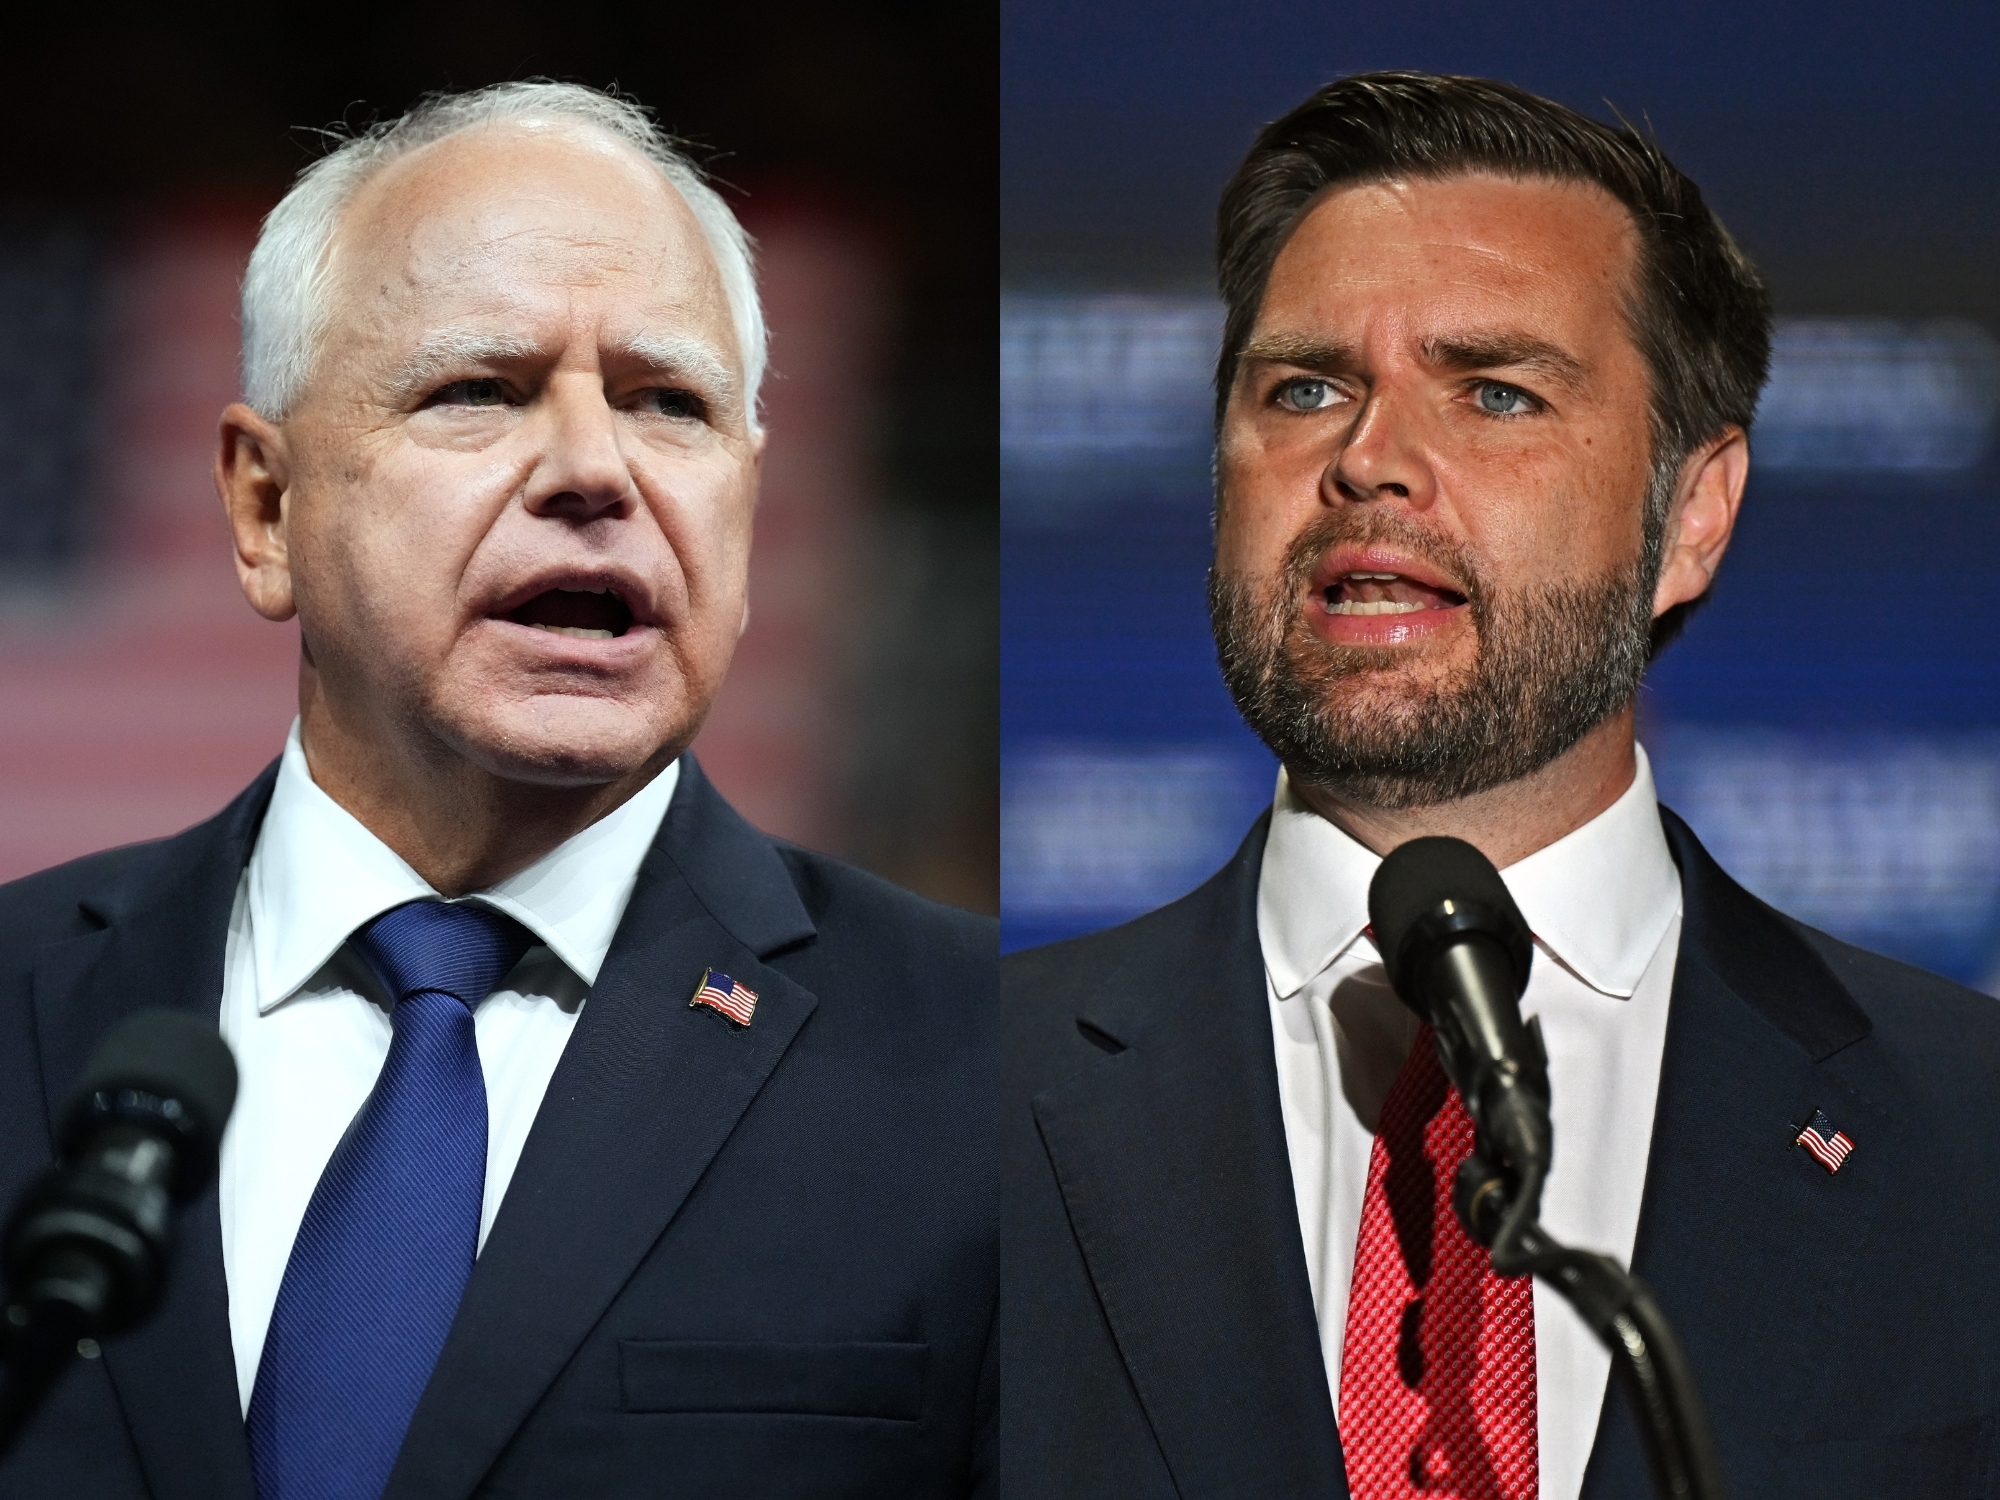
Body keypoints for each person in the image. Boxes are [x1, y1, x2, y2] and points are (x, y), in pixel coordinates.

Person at [1004, 71, 2000, 1500]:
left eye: (1494, 393)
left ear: (1692, 513)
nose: (1369, 462)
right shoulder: (968, 1098)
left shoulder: (1969, 1130)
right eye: (1305, 389)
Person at [0, 83, 993, 1500]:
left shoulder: (988, 1072)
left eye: (670, 403)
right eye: (478, 391)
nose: (596, 471)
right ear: (266, 508)